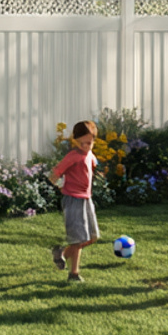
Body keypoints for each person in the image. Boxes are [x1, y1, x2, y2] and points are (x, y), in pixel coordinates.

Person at [50, 120, 100, 283]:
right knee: (78, 239)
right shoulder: (73, 156)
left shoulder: (90, 155)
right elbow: (55, 173)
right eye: (82, 143)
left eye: (89, 142)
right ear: (76, 141)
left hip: (86, 199)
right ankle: (74, 274)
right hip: (73, 200)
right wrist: (59, 185)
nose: (86, 146)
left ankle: (62, 253)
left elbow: (91, 168)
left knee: (92, 237)